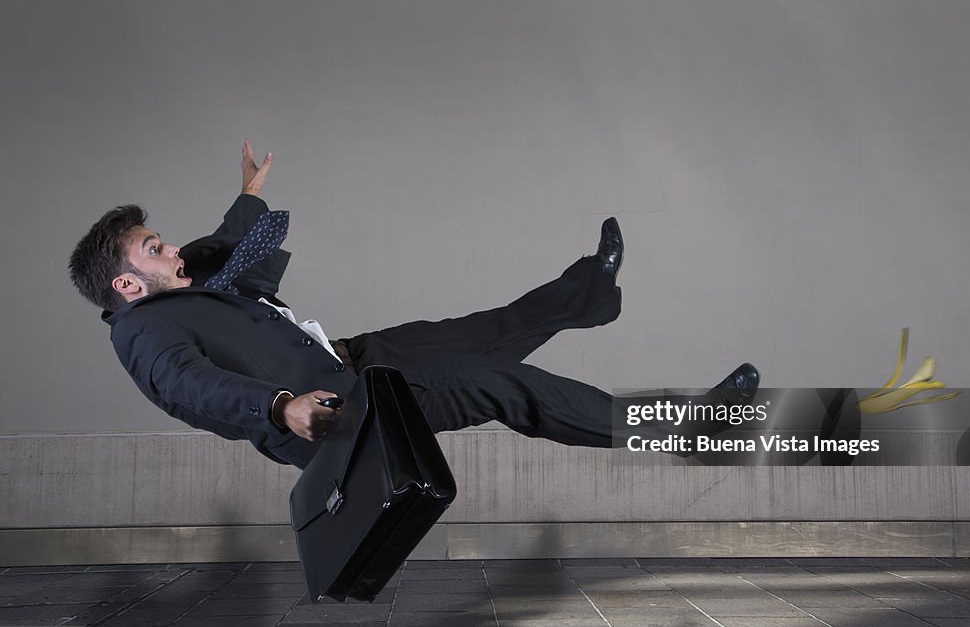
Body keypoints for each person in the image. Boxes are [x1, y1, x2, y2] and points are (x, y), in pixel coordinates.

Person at [69, 141, 759, 469]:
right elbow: (194, 386)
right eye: (154, 248)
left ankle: (590, 294)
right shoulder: (142, 335)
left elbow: (226, 241)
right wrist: (279, 406)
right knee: (505, 384)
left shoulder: (187, 279)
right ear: (127, 285)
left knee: (484, 331)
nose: (171, 251)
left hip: (352, 361)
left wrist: (250, 191)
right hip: (344, 415)